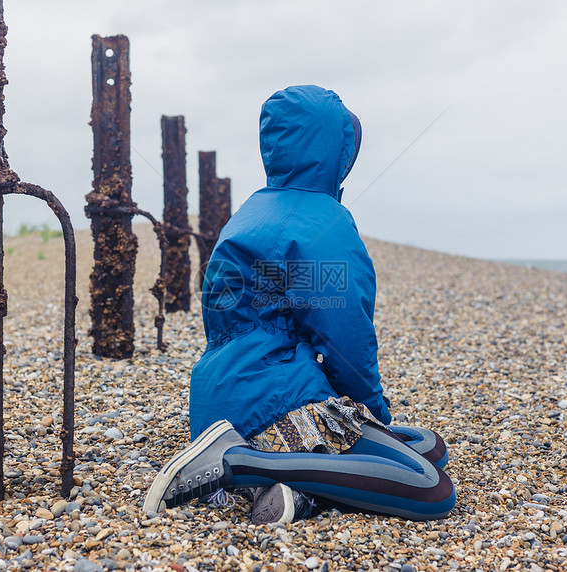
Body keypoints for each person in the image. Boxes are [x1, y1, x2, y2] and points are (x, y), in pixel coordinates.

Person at [143, 85, 455, 524]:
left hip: (222, 396)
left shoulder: (253, 210)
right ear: (335, 153)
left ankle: (293, 491)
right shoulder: (321, 223)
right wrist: (372, 412)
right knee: (431, 486)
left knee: (427, 445)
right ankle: (241, 464)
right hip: (276, 400)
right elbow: (346, 339)